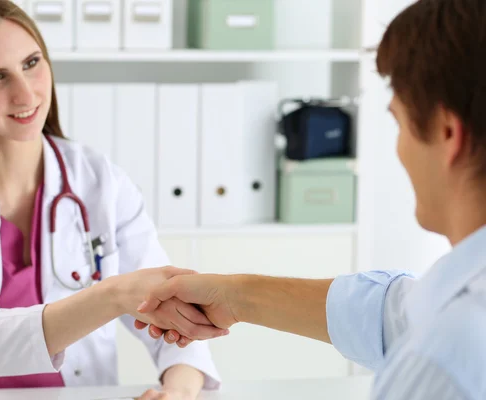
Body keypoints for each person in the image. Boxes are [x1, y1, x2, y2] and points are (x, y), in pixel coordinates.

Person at [137, 0, 486, 398]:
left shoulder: (442, 358)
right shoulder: (453, 314)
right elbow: (394, 314)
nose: (398, 148)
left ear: (445, 133)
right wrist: (235, 296)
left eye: (399, 123)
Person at [0, 1, 226, 397]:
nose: (25, 92)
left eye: (32, 63)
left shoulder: (99, 180)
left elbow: (167, 308)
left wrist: (179, 387)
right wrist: (114, 296)